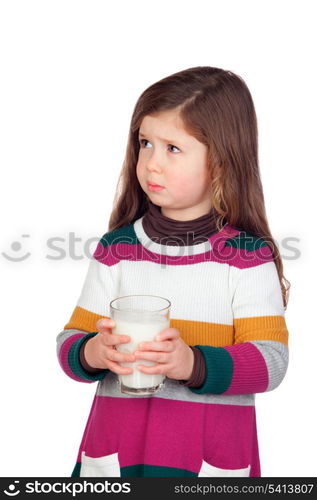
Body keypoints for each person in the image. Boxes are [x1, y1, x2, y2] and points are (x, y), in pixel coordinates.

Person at [56, 66, 290, 478]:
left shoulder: (246, 257)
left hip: (206, 459)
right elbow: (70, 341)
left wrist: (191, 363)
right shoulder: (118, 249)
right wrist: (93, 352)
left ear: (222, 160)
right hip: (116, 457)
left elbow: (271, 363)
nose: (151, 164)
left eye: (173, 149)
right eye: (145, 143)